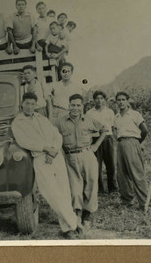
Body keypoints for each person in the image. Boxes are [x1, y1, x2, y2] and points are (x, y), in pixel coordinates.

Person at [11, 92, 82, 239]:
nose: (30, 106)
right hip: (40, 158)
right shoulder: (17, 123)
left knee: (64, 192)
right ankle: (74, 223)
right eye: (27, 103)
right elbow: (24, 142)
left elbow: (57, 135)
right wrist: (45, 149)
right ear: (22, 104)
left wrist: (53, 150)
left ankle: (67, 229)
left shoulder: (41, 118)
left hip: (55, 156)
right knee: (51, 193)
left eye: (32, 104)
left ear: (36, 105)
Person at [55, 94, 106, 227]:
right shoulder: (60, 121)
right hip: (70, 157)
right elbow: (53, 136)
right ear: (68, 106)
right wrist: (59, 150)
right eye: (73, 105)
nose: (75, 108)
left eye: (78, 105)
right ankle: (77, 214)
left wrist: (96, 146)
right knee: (74, 187)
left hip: (87, 155)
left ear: (82, 106)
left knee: (91, 184)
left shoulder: (89, 120)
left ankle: (87, 215)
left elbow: (105, 130)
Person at [112, 92, 149, 209]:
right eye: (119, 100)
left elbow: (145, 131)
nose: (121, 102)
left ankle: (144, 203)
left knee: (137, 173)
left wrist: (137, 143)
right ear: (116, 102)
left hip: (132, 142)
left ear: (127, 101)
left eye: (123, 99)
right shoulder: (116, 117)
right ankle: (127, 201)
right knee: (122, 174)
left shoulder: (134, 114)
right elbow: (115, 132)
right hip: (121, 144)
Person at [86, 91, 118, 194]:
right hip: (95, 139)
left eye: (101, 98)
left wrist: (113, 139)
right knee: (96, 165)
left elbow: (113, 127)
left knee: (111, 164)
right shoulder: (89, 113)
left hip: (108, 138)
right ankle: (100, 190)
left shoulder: (110, 112)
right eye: (97, 98)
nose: (99, 100)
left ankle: (112, 188)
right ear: (93, 100)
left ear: (104, 100)